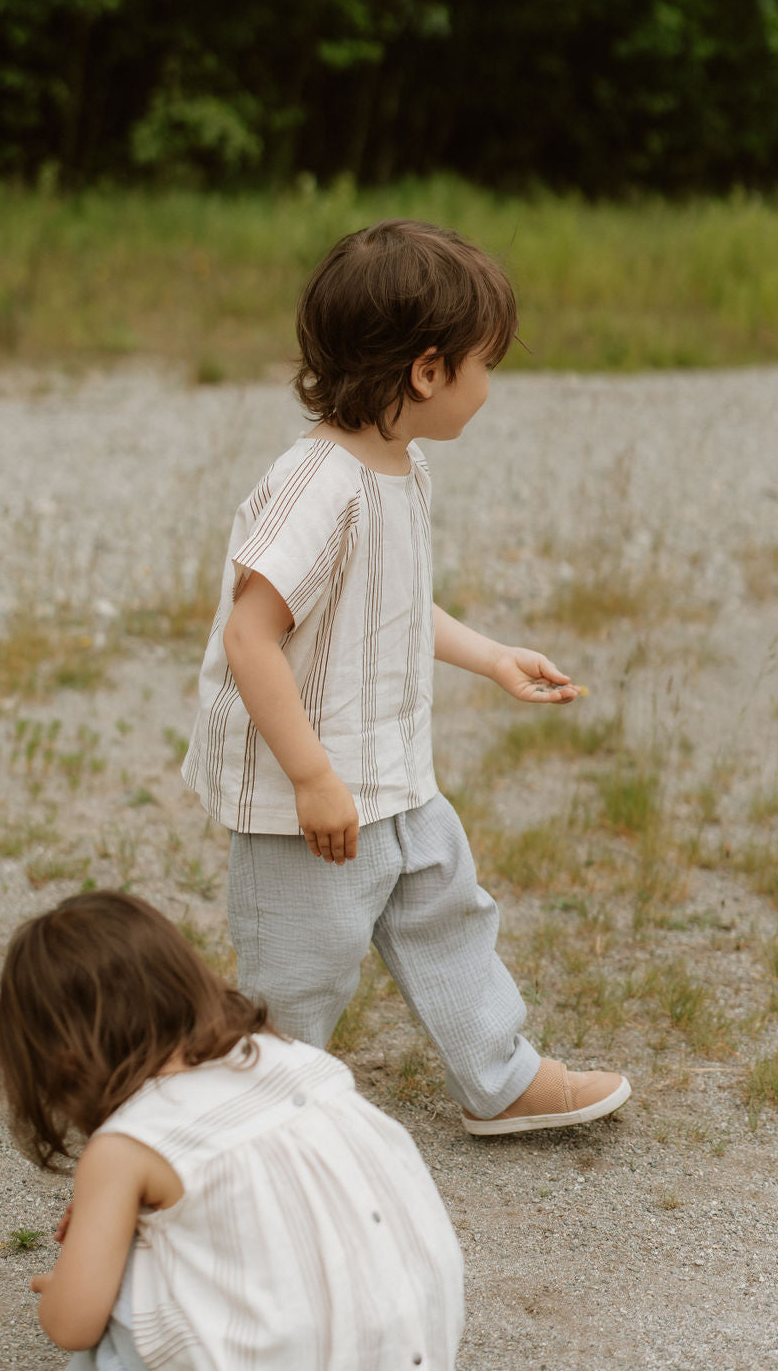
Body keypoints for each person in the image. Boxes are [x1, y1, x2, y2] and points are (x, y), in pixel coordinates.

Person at [182, 218, 631, 1135]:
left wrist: (493, 656)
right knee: (302, 972)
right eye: (485, 364)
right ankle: (261, 1124)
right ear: (428, 371)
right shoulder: (317, 485)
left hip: (394, 777)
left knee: (449, 916)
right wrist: (312, 777)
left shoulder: (403, 469)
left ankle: (502, 1079)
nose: (489, 386)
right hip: (308, 797)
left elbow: (389, 607)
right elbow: (251, 636)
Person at [0, 889, 465, 1370]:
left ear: (57, 1057)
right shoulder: (287, 1055)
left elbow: (71, 1325)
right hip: (418, 1340)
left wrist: (66, 1290)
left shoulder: (124, 1149)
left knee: (109, 1334)